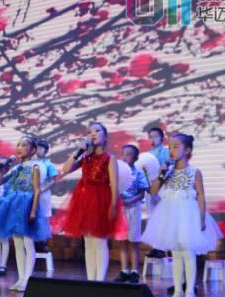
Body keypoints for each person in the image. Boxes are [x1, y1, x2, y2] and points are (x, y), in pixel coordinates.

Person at [141, 133, 222, 297]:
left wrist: (201, 219)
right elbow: (153, 192)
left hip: (188, 216)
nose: (171, 150)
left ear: (187, 150)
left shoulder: (194, 172)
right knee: (176, 254)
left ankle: (190, 292)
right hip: (170, 216)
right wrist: (161, 175)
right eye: (170, 147)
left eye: (176, 147)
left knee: (188, 253)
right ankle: (178, 291)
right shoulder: (167, 172)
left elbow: (201, 196)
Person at [59, 122, 126, 281]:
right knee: (88, 242)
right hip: (84, 200)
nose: (93, 134)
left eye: (97, 131)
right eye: (89, 132)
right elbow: (66, 169)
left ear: (105, 136)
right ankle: (91, 280)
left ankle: (99, 281)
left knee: (99, 241)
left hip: (101, 200)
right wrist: (78, 151)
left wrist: (113, 206)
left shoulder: (110, 158)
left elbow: (114, 184)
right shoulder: (85, 157)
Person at [0, 136, 49, 292]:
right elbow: (0, 182)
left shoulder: (35, 166)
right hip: (13, 205)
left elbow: (37, 190)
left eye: (24, 145)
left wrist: (33, 210)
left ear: (33, 150)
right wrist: (0, 170)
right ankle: (21, 278)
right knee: (18, 243)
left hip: (27, 204)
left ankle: (28, 278)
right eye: (18, 145)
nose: (20, 148)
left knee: (27, 242)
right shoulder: (16, 168)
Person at [114, 144, 149, 284]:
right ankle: (124, 270)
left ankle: (134, 271)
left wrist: (129, 201)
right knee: (122, 241)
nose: (125, 157)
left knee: (133, 241)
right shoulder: (117, 173)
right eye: (123, 154)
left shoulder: (139, 173)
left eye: (128, 154)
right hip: (120, 210)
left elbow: (142, 193)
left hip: (133, 208)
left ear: (135, 158)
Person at [146, 127, 168, 259]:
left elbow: (167, 169)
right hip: (150, 188)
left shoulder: (166, 152)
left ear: (162, 138)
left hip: (163, 187)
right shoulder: (147, 155)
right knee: (152, 217)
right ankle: (155, 246)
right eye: (150, 136)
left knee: (162, 218)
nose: (152, 139)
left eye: (155, 136)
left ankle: (163, 247)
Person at [35, 139, 58, 253]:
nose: (38, 150)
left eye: (41, 148)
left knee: (43, 218)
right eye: (36, 147)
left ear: (46, 150)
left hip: (43, 195)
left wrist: (40, 189)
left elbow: (52, 179)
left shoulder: (49, 165)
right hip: (30, 194)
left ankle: (42, 243)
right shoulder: (30, 163)